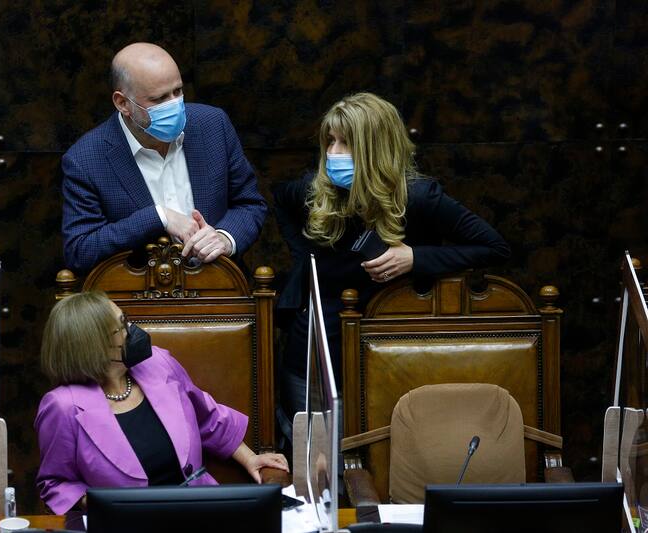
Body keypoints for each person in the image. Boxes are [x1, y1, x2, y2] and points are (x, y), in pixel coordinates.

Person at [274, 92, 511, 438]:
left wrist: (415, 258)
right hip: (317, 344)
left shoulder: (418, 197)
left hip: (390, 347)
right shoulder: (315, 190)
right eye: (331, 142)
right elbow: (280, 200)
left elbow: (494, 247)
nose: (333, 154)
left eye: (346, 144)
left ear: (375, 149)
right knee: (316, 453)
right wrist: (304, 261)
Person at [35, 291, 288, 515]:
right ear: (94, 347)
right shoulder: (63, 406)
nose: (133, 328)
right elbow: (56, 482)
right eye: (122, 326)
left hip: (199, 513)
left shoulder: (157, 363)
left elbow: (207, 418)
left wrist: (250, 458)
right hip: (126, 525)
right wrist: (103, 506)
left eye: (126, 318)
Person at [62, 42, 267, 273]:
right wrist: (157, 217)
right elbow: (80, 251)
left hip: (219, 289)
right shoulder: (86, 159)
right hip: (138, 301)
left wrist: (225, 238)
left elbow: (249, 204)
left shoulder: (213, 125)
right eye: (159, 99)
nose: (174, 105)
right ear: (122, 103)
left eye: (178, 91)